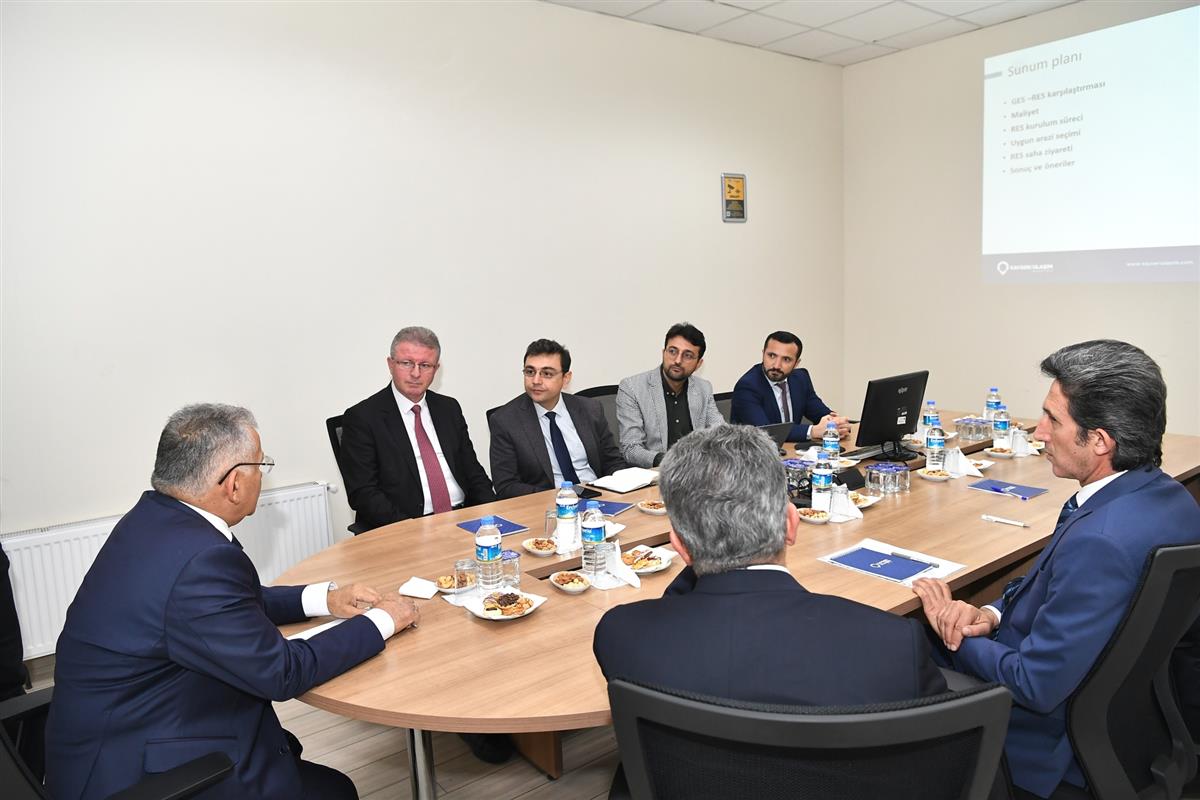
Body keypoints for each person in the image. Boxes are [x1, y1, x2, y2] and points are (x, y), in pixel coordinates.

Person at [44, 404, 419, 800]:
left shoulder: (155, 519)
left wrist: (325, 598)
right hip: (138, 775)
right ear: (234, 484)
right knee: (336, 792)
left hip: (123, 731)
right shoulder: (200, 558)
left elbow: (226, 605)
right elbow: (283, 672)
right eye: (261, 466)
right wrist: (382, 620)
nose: (263, 476)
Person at [911, 339, 1200, 800]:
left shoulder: (1100, 542)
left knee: (899, 644)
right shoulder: (1172, 500)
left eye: (1053, 419)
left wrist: (954, 632)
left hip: (1045, 749)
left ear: (1100, 441)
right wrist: (990, 614)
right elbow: (1052, 589)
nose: (1039, 432)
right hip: (1130, 728)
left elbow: (1034, 683)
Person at [593, 424, 947, 704]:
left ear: (679, 547)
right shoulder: (892, 644)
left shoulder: (620, 634)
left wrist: (695, 557)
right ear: (791, 524)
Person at [340, 326, 495, 531]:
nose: (415, 373)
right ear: (390, 364)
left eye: (425, 365)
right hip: (405, 526)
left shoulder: (448, 408)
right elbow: (364, 494)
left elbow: (473, 472)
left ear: (436, 370)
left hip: (463, 518)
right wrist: (414, 530)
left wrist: (494, 514)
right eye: (406, 363)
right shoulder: (363, 417)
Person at [489, 338, 627, 498]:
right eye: (530, 372)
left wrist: (621, 486)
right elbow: (506, 486)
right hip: (546, 503)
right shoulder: (505, 420)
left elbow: (612, 461)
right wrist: (563, 496)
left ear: (566, 378)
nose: (536, 381)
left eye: (547, 373)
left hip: (598, 498)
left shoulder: (590, 409)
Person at [615, 322, 725, 468]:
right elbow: (631, 449)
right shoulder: (632, 388)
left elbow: (720, 432)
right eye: (672, 351)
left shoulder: (703, 388)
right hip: (655, 473)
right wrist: (670, 461)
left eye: (688, 355)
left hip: (696, 472)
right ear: (663, 352)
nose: (678, 360)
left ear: (698, 363)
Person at [730, 330, 850, 442]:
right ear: (763, 354)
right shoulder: (747, 386)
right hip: (755, 455)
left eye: (786, 359)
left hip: (791, 451)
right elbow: (765, 432)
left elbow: (819, 412)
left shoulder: (800, 378)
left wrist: (837, 423)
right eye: (771, 356)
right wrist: (813, 431)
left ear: (796, 363)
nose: (776, 365)